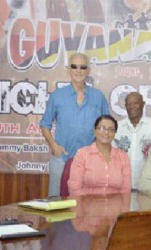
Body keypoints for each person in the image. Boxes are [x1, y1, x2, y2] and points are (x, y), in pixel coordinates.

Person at [40, 53, 109, 197]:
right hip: (61, 158)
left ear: (88, 71)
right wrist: (53, 146)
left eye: (83, 67)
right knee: (55, 202)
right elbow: (45, 124)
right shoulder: (57, 96)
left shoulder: (98, 96)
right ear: (68, 69)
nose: (78, 70)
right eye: (74, 66)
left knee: (88, 203)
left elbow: (107, 126)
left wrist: (99, 150)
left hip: (90, 160)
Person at [113, 92, 151, 190]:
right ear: (125, 106)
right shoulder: (117, 127)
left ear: (143, 104)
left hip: (148, 187)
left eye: (135, 103)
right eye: (128, 104)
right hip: (121, 187)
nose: (132, 107)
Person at [68, 115, 131, 196]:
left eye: (111, 129)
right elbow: (74, 189)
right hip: (87, 205)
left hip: (115, 206)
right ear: (94, 131)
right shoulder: (82, 154)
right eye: (101, 128)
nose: (106, 132)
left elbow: (126, 191)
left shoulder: (123, 157)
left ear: (115, 133)